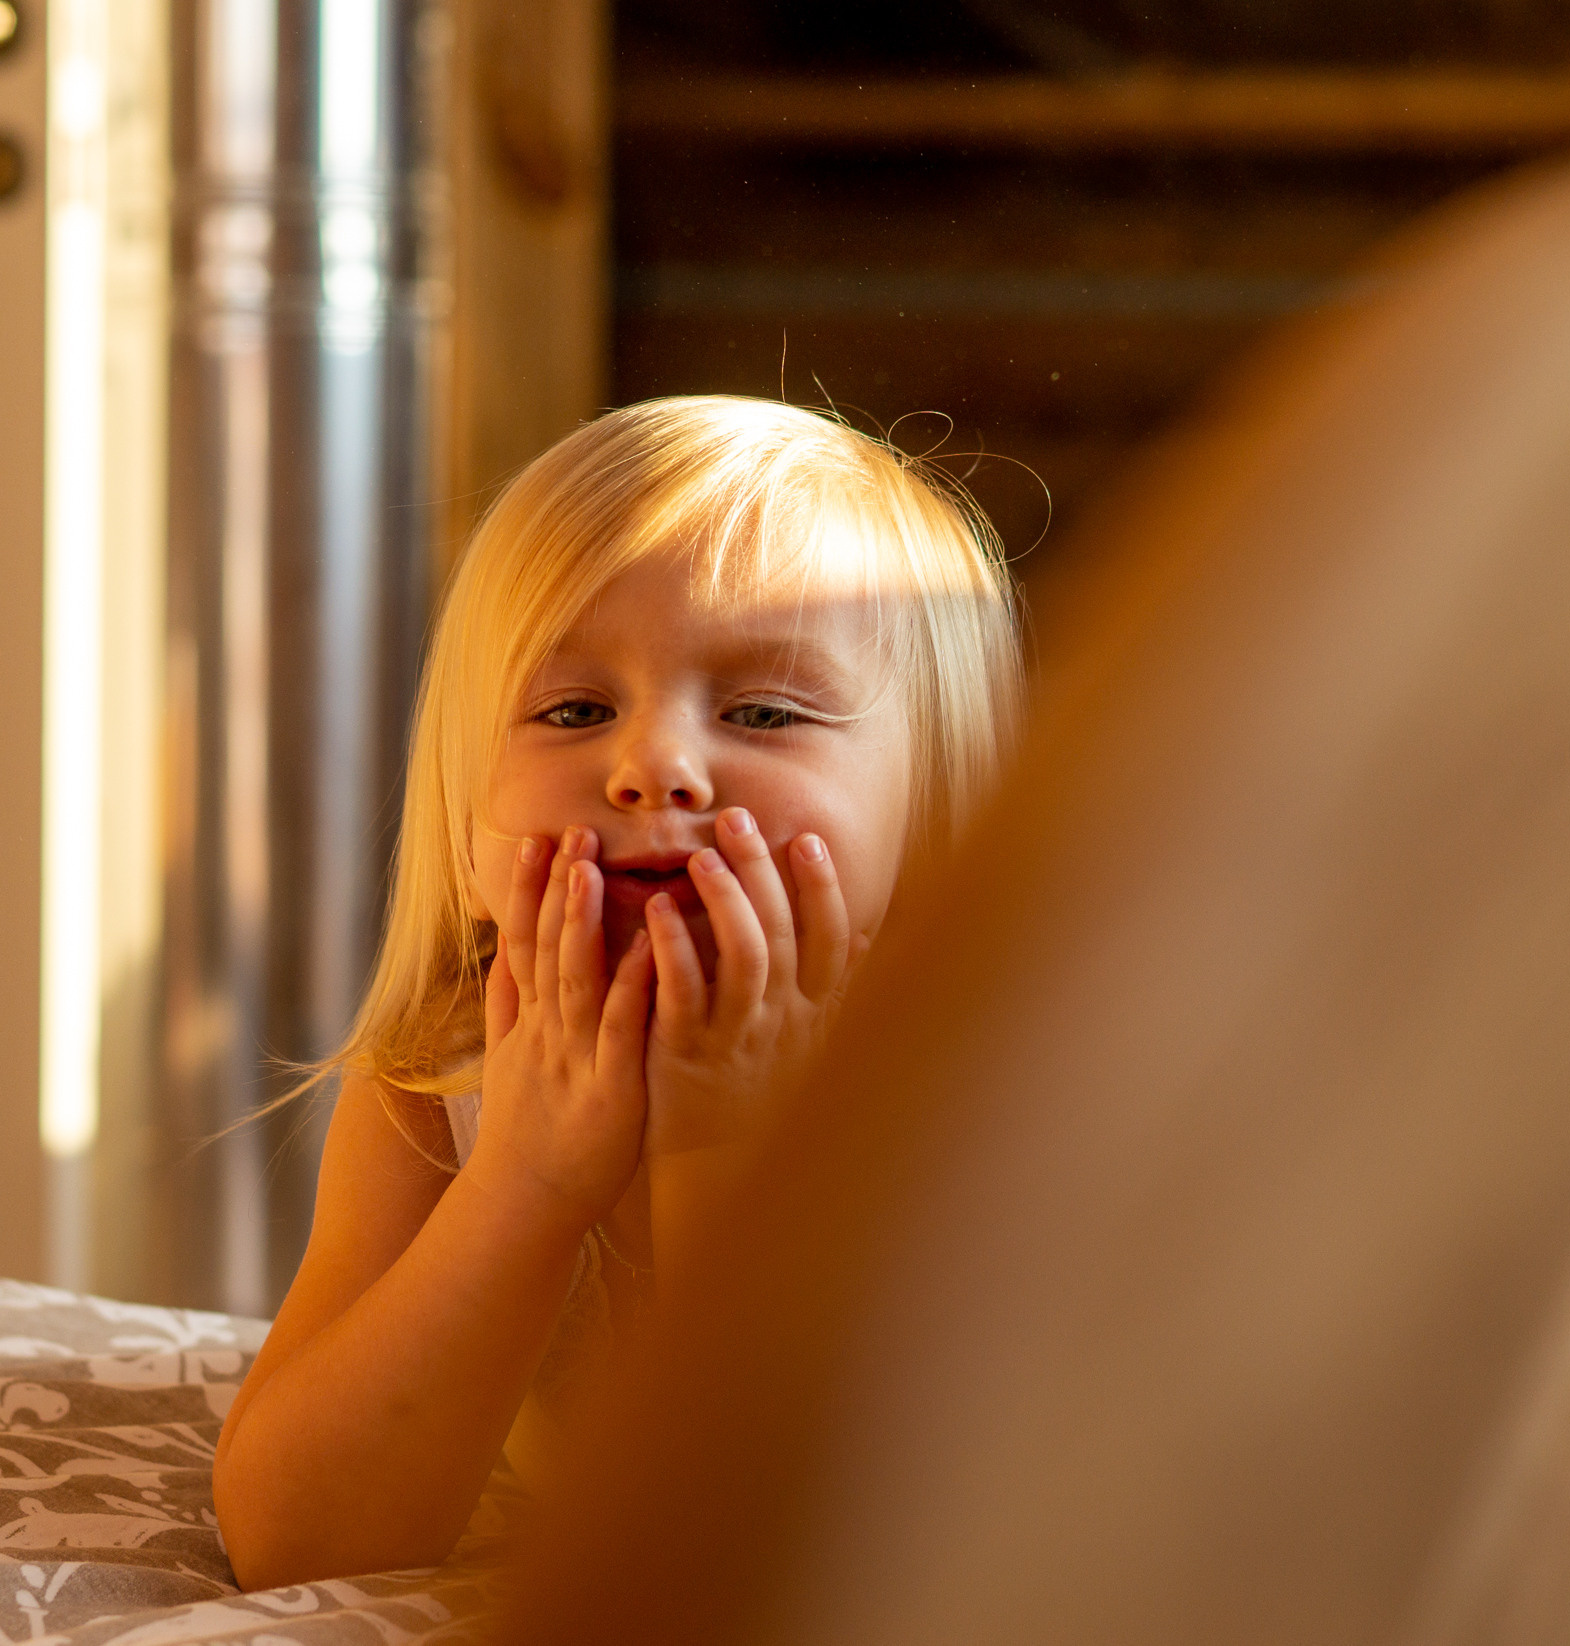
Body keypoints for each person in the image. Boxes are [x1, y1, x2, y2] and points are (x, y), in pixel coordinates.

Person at [211, 396, 1022, 1590]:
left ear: (935, 812)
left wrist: (725, 1138)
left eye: (763, 712)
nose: (652, 768)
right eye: (574, 710)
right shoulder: (440, 1087)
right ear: (469, 818)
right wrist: (528, 1179)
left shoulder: (967, 1096)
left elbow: (784, 1542)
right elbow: (298, 1540)